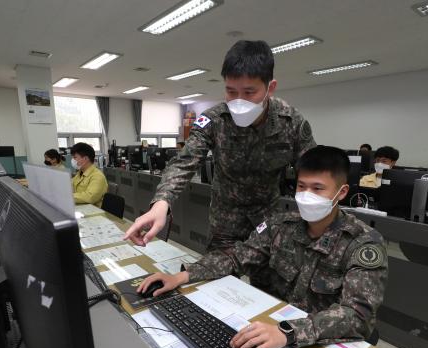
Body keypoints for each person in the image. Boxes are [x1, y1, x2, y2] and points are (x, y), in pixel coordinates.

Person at [138, 146, 387, 348]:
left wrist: (287, 331)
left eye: (318, 188)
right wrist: (182, 276)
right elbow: (237, 256)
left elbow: (357, 316)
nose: (306, 195)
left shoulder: (364, 243)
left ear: (341, 192)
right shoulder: (280, 224)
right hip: (268, 327)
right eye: (301, 186)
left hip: (318, 340)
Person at [124, 40, 316, 258]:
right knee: (217, 281)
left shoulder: (290, 121)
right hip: (225, 221)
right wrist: (162, 202)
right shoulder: (214, 119)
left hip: (267, 221)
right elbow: (184, 162)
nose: (238, 100)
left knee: (267, 285)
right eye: (231, 91)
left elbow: (314, 168)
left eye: (249, 92)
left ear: (270, 88)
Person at [71, 142, 108, 207]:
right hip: (81, 208)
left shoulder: (97, 176)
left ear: (85, 158)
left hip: (94, 212)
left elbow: (90, 197)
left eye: (75, 157)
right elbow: (71, 186)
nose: (73, 160)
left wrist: (68, 196)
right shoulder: (80, 173)